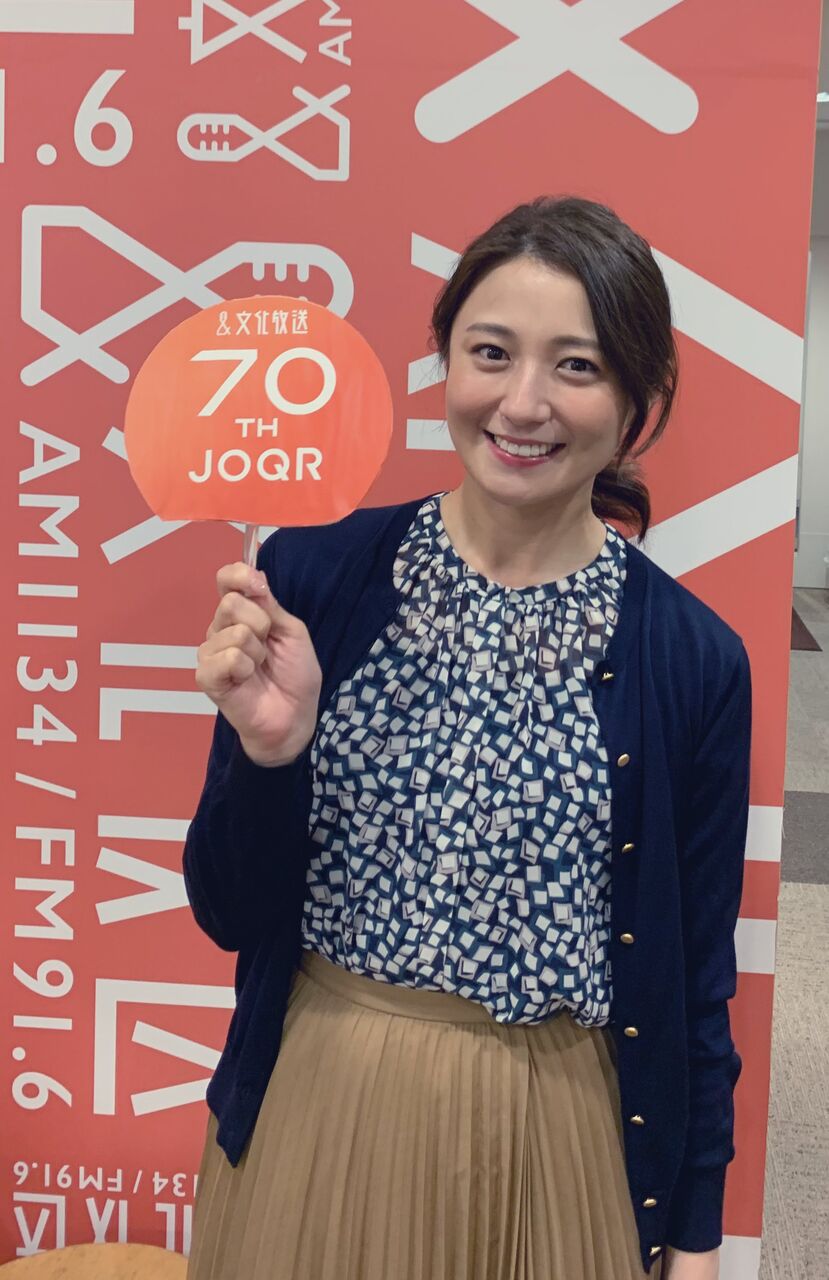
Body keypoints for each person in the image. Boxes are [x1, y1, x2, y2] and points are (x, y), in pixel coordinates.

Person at [183, 195, 752, 1280]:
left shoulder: (691, 658)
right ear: (446, 361)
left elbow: (693, 979)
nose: (522, 403)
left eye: (576, 366)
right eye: (490, 353)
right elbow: (228, 911)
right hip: (322, 1102)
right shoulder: (308, 577)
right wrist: (272, 758)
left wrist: (694, 1231)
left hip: (559, 1130)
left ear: (637, 400)